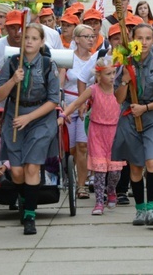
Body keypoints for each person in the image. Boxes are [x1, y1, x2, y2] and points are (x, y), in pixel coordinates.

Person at [0, 24, 61, 235]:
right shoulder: (12, 63)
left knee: (32, 167)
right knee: (17, 172)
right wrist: (13, 80)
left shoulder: (49, 64)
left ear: (41, 42)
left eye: (34, 38)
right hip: (15, 118)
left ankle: (30, 216)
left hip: (40, 118)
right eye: (26, 38)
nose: (30, 41)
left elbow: (53, 100)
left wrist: (29, 117)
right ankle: (25, 199)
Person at [111, 24, 153, 227]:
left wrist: (146, 107)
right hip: (130, 119)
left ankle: (152, 208)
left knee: (152, 163)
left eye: (148, 38)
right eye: (140, 38)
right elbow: (118, 98)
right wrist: (124, 81)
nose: (145, 42)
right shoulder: (125, 63)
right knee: (136, 168)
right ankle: (139, 210)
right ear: (132, 40)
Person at [59, 57, 125, 215]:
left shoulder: (118, 90)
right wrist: (62, 115)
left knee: (115, 171)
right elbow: (76, 103)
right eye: (108, 74)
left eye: (114, 73)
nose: (112, 77)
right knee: (100, 169)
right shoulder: (93, 89)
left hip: (115, 132)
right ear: (98, 76)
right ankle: (99, 202)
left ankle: (111, 191)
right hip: (97, 131)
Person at [60, 24, 97, 199]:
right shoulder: (67, 58)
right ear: (76, 39)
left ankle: (81, 186)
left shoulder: (95, 58)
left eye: (92, 36)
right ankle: (70, 175)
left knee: (83, 146)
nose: (91, 39)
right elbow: (60, 84)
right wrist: (60, 107)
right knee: (71, 149)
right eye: (86, 36)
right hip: (69, 104)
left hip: (86, 105)